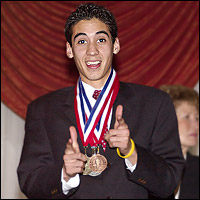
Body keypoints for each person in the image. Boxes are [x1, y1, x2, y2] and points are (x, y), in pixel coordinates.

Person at [17, 3, 185, 199]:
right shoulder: (43, 110)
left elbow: (170, 181)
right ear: (69, 50)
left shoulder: (156, 104)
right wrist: (64, 175)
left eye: (101, 39)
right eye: (81, 42)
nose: (92, 51)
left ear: (116, 45)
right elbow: (29, 182)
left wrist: (131, 151)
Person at [160, 84, 199, 199]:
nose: (196, 126)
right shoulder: (145, 166)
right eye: (187, 117)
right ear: (167, 119)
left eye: (197, 118)